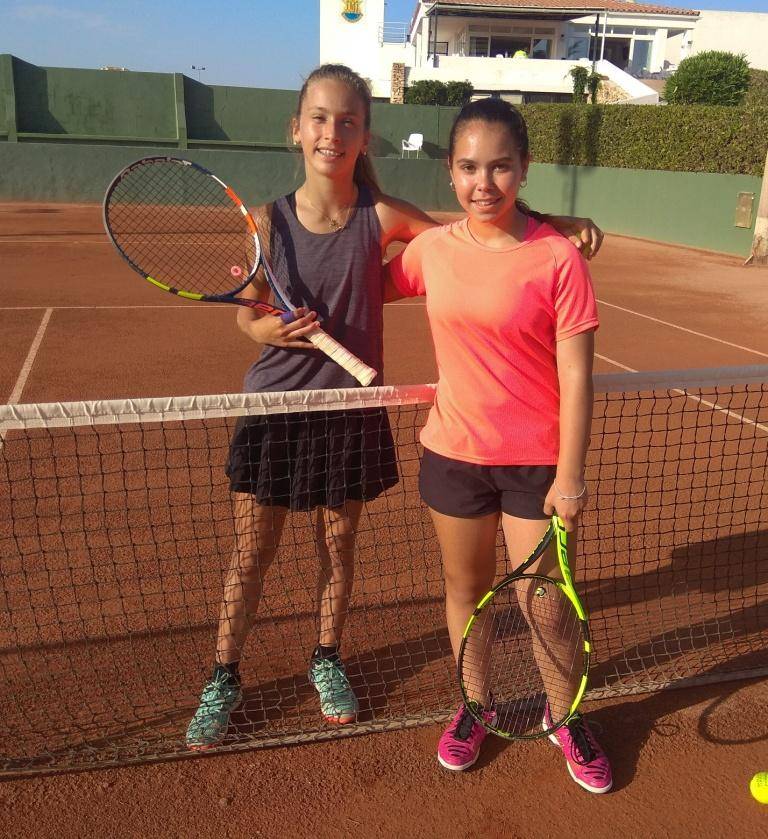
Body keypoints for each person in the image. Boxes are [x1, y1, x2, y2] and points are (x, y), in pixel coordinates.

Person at [185, 64, 605, 751]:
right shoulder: (267, 221)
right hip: (276, 410)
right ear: (297, 130)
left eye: (347, 121)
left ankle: (327, 657)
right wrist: (264, 331)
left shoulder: (383, 217)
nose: (332, 132)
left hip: (352, 409)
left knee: (338, 548)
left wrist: (557, 223)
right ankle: (223, 674)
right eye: (319, 118)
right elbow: (249, 312)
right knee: (251, 551)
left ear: (365, 136)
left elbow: (477, 230)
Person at [385, 97, 612, 793]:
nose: (483, 183)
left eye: (499, 167)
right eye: (468, 167)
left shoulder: (558, 258)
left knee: (545, 602)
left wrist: (569, 476)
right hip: (454, 454)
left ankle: (562, 712)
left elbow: (577, 376)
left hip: (536, 464)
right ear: (450, 172)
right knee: (467, 591)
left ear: (524, 167)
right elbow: (361, 283)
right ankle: (475, 704)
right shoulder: (432, 250)